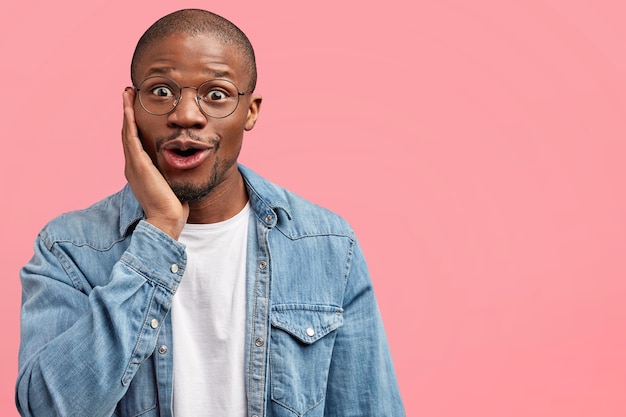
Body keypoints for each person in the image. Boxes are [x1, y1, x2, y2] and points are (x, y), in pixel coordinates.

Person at [16, 9, 405, 417]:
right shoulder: (69, 249)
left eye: (216, 94)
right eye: (161, 91)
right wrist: (160, 234)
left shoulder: (326, 245)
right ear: (130, 105)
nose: (186, 115)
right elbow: (47, 409)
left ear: (250, 111)